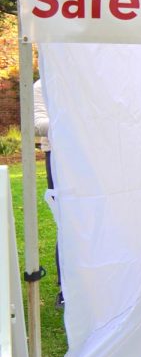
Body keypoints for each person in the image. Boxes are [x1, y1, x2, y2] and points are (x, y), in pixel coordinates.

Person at [34, 79, 64, 309]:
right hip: (58, 156)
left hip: (91, 156)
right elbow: (37, 124)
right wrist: (70, 121)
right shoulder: (40, 85)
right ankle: (66, 287)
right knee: (66, 221)